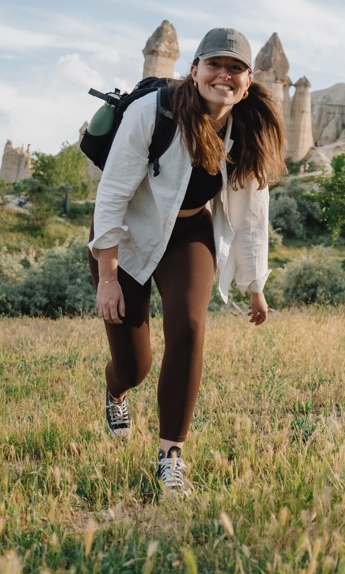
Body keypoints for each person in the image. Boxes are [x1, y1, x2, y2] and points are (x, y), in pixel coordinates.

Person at [88, 26, 286, 495]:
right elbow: (112, 195)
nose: (224, 75)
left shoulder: (247, 130)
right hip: (128, 236)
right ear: (193, 70)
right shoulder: (151, 112)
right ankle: (116, 392)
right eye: (214, 65)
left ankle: (170, 455)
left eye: (235, 68)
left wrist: (255, 283)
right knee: (134, 366)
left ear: (248, 80)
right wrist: (108, 276)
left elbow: (253, 213)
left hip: (188, 232)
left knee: (190, 327)